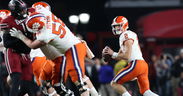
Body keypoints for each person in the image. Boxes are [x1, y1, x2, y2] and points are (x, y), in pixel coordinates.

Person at [9, 2, 99, 96]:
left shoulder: (45, 34)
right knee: (49, 83)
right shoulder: (46, 14)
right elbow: (36, 11)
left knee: (78, 80)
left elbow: (32, 45)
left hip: (66, 51)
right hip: (57, 56)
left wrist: (20, 36)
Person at [102, 16, 158, 96]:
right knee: (146, 92)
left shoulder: (125, 34)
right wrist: (111, 55)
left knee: (114, 83)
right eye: (115, 26)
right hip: (142, 64)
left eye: (118, 25)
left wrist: (112, 53)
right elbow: (121, 56)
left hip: (136, 64)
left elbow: (127, 56)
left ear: (124, 25)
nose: (116, 28)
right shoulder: (127, 35)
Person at [0, 0, 35, 96]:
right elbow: (7, 43)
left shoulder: (30, 15)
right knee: (16, 78)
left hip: (26, 54)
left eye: (25, 9)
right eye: (22, 10)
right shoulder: (7, 21)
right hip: (13, 53)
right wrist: (21, 38)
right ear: (15, 10)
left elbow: (38, 11)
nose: (25, 11)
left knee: (28, 83)